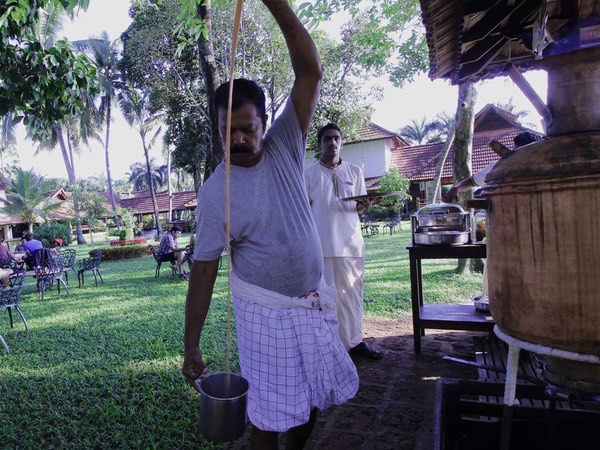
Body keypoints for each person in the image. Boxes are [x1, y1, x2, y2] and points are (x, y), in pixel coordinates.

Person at [182, 2, 358, 449]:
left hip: (312, 298)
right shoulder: (214, 192)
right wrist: (192, 345)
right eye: (227, 131)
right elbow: (203, 270)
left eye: (247, 128)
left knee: (311, 400)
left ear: (265, 123)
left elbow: (311, 72)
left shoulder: (286, 142)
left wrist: (276, 4)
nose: (238, 139)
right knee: (267, 414)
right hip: (264, 311)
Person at [304, 123, 383, 360]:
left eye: (337, 138)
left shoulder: (355, 172)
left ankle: (355, 343)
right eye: (327, 139)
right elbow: (304, 211)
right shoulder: (308, 174)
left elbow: (358, 207)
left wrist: (364, 207)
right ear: (320, 144)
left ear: (342, 142)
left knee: (351, 296)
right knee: (324, 299)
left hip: (350, 245)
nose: (332, 143)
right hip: (321, 247)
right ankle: (327, 347)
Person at [443, 131, 544, 203]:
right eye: (515, 150)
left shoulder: (546, 167)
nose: (514, 154)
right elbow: (472, 181)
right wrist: (456, 188)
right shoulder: (499, 166)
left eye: (519, 151)